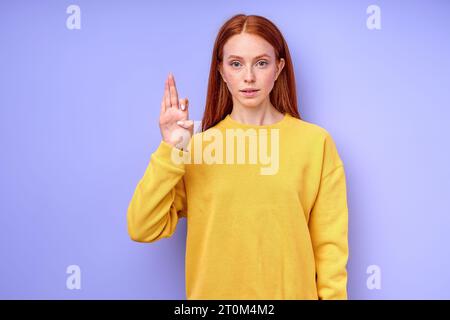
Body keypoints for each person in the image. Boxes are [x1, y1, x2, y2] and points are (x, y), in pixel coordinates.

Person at [127, 13, 349, 300]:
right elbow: (142, 227)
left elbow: (330, 250)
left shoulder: (315, 144)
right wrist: (172, 148)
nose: (249, 77)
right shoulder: (194, 149)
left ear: (279, 67)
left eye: (261, 63)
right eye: (235, 64)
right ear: (221, 70)